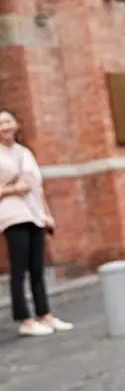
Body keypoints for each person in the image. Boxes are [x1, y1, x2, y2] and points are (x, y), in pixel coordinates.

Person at [0, 110, 73, 337]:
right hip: (12, 214)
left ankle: (45, 314)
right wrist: (13, 189)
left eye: (8, 121)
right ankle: (25, 319)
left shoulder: (25, 153)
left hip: (34, 213)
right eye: (0, 123)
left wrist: (47, 214)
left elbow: (37, 187)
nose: (5, 126)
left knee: (37, 268)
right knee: (19, 269)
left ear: (17, 124)